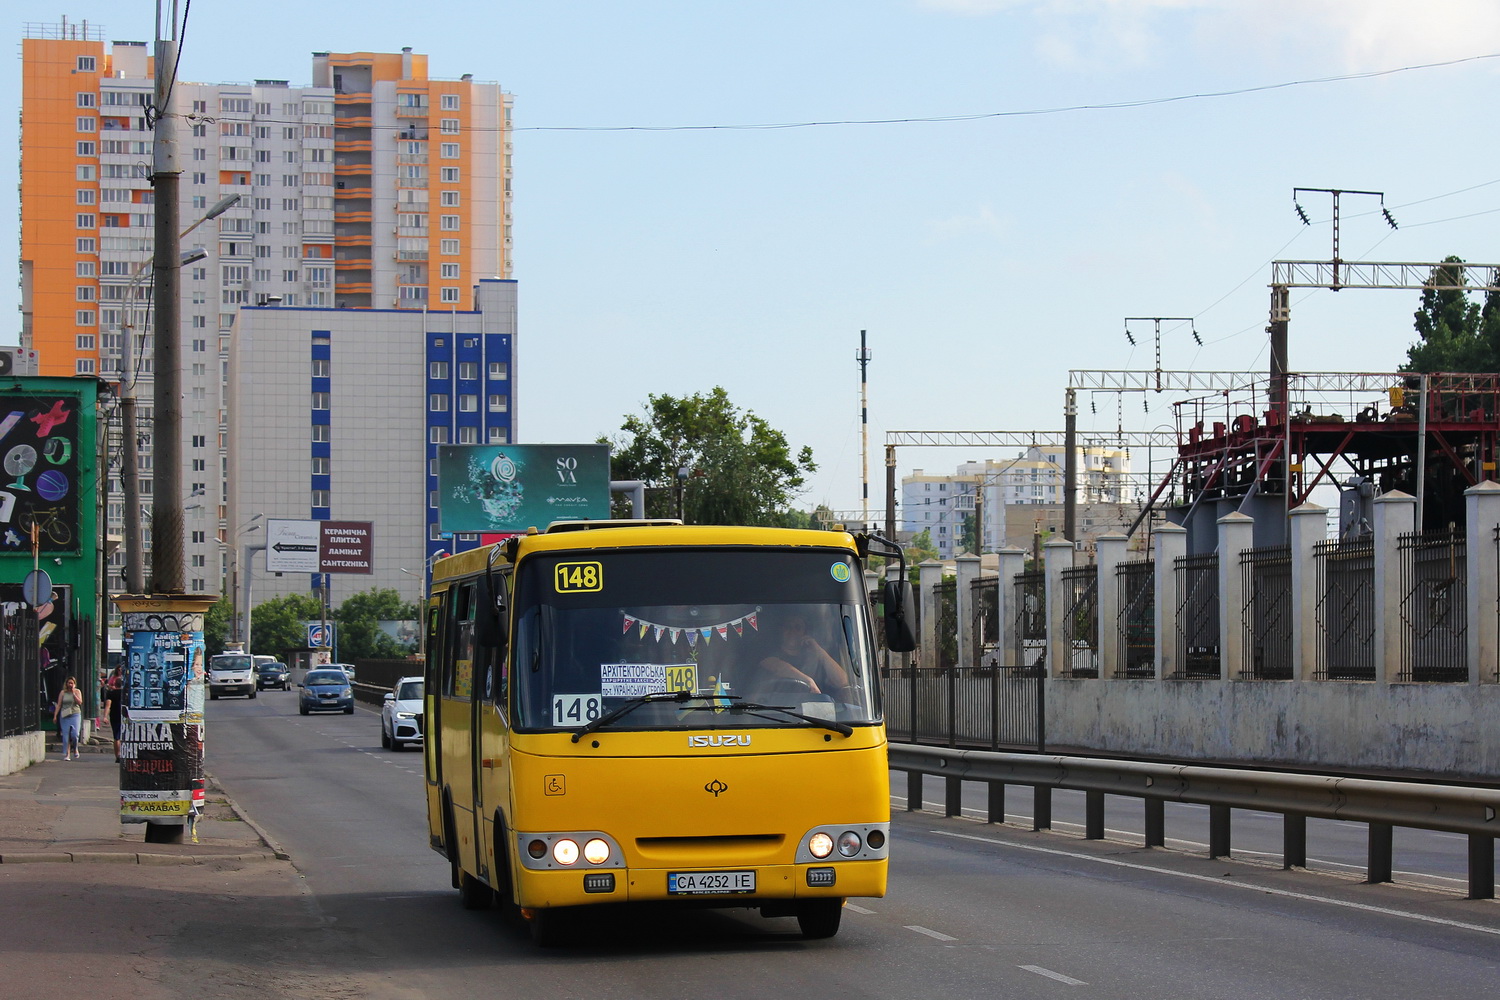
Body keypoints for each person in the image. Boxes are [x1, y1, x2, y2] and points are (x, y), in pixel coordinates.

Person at [747, 612, 851, 699]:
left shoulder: (814, 659)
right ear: (780, 630)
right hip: (771, 715)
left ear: (805, 633)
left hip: (813, 717)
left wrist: (820, 651)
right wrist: (808, 681)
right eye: (788, 626)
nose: (792, 631)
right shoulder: (768, 654)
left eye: (798, 627)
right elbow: (778, 667)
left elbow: (842, 682)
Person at [53, 675, 83, 760]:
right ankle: (67, 754)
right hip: (65, 715)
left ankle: (76, 748)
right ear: (66, 684)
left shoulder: (77, 691)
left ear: (74, 684)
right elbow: (59, 705)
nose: (70, 685)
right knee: (66, 736)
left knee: (75, 734)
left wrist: (73, 693)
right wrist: (55, 716)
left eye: (72, 683)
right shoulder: (63, 693)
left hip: (75, 714)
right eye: (69, 683)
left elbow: (80, 702)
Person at [103, 666, 124, 762]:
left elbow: (108, 706)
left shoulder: (111, 694)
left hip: (114, 716)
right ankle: (124, 754)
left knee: (116, 737)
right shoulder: (126, 694)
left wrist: (105, 716)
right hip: (124, 716)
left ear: (114, 683)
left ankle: (117, 755)